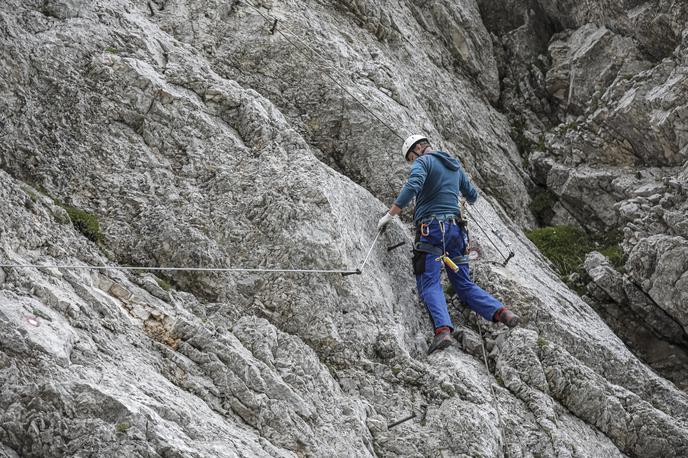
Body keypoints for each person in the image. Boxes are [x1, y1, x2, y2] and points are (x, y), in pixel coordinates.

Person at [378, 135, 519, 355]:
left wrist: (391, 213)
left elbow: (413, 185)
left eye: (410, 158)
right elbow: (472, 195)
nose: (412, 162)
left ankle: (443, 332)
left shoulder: (423, 162)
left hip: (432, 232)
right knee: (462, 283)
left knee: (430, 282)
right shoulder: (454, 165)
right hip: (456, 233)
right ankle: (502, 313)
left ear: (416, 150)